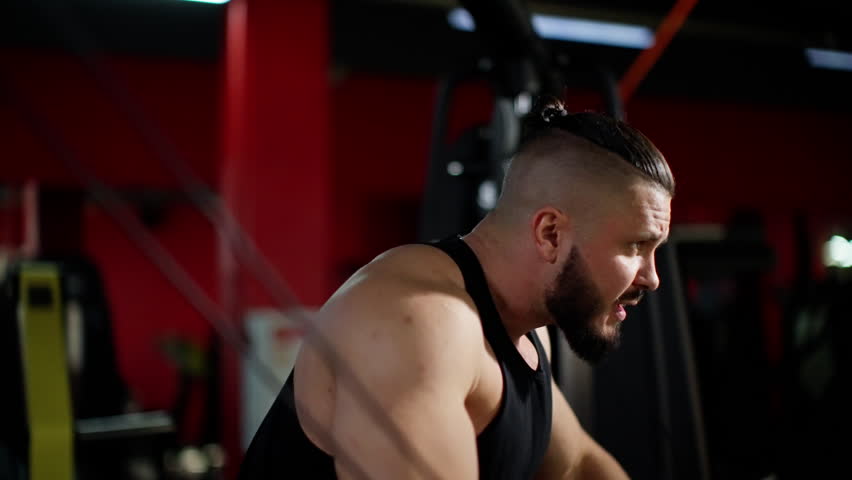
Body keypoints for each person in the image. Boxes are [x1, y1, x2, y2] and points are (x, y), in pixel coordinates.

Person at [238, 98, 675, 479]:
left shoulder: (525, 328)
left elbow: (576, 465)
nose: (651, 277)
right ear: (551, 234)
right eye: (636, 245)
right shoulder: (418, 321)